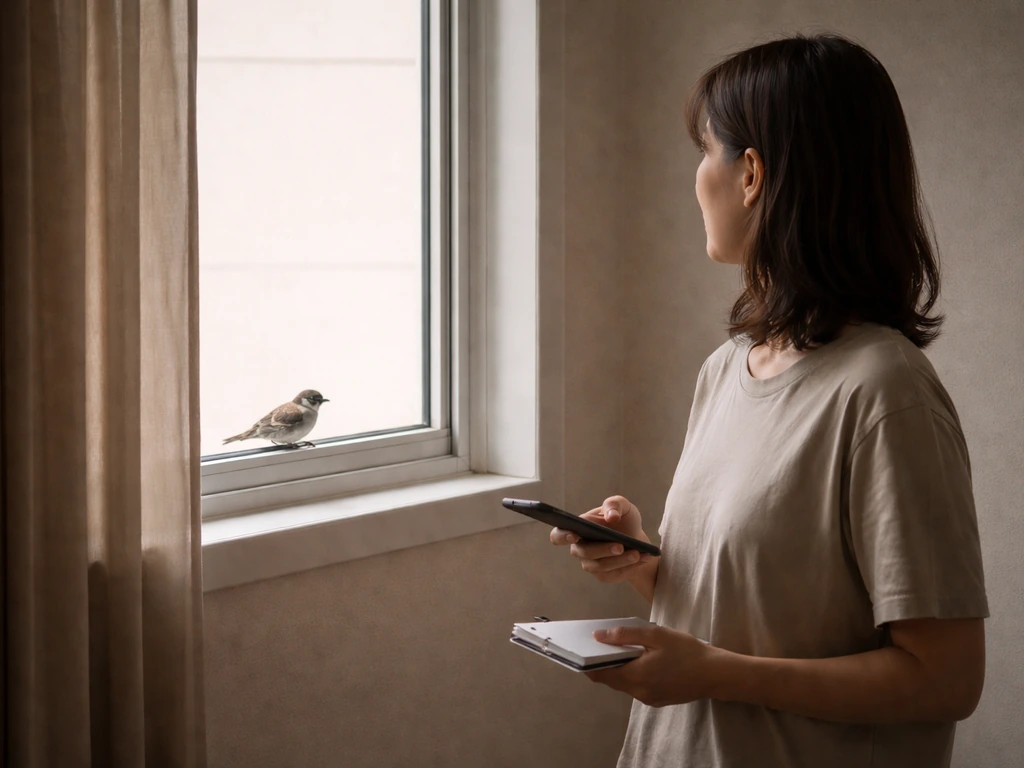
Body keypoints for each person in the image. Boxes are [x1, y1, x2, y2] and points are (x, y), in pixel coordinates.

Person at [551, 33, 989, 768]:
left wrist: (714, 674)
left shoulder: (886, 394)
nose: (696, 176)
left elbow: (945, 678)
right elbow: (758, 607)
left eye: (704, 150)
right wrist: (642, 564)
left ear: (750, 172)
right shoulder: (726, 371)